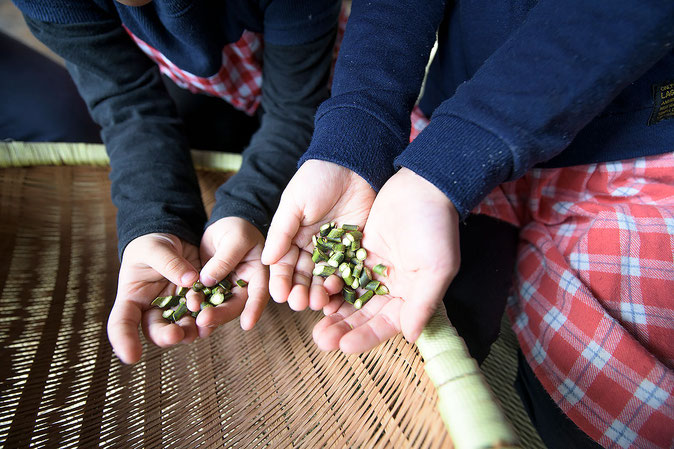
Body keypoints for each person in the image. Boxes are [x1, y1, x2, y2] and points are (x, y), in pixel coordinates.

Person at [261, 0, 674, 447]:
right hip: (448, 127)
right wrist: (355, 137)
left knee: (603, 411)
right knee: (427, 339)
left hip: (632, 142)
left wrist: (445, 164)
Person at [13, 0, 341, 364]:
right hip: (203, 86)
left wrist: (249, 207)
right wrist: (155, 222)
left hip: (317, 81)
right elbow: (129, 109)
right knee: (201, 135)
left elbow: (294, 111)